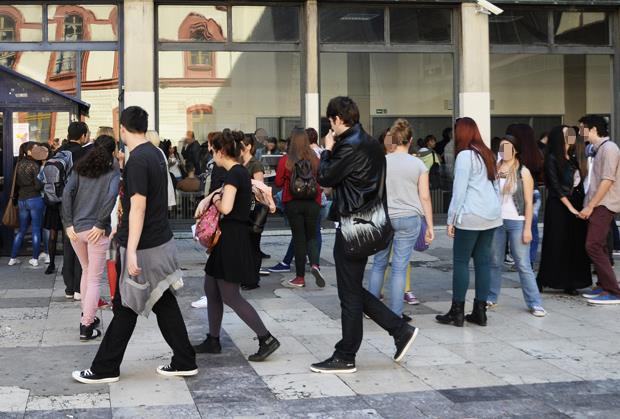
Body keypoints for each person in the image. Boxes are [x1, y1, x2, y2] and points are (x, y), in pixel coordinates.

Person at [72, 106, 197, 384]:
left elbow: (137, 207)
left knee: (126, 306)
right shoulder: (155, 154)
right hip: (158, 241)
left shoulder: (138, 160)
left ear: (123, 129)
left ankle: (105, 368)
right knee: (161, 301)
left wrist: (131, 252)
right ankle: (184, 359)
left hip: (144, 246)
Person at [311, 96, 418, 374]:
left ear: (336, 120)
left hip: (353, 225)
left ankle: (347, 354)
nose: (330, 127)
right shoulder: (370, 141)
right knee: (352, 289)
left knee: (349, 295)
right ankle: (399, 330)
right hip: (371, 221)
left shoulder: (347, 145)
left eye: (330, 122)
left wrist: (326, 150)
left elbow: (325, 178)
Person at [193, 129, 280, 360]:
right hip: (229, 239)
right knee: (211, 288)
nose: (211, 153)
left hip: (231, 239)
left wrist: (213, 198)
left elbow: (226, 208)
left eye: (213, 150)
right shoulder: (239, 172)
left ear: (222, 152)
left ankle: (266, 338)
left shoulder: (234, 174)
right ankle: (213, 340)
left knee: (230, 295)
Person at [436, 117, 501, 327]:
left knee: (461, 262)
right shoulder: (487, 153)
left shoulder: (465, 155)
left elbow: (459, 191)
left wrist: (451, 219)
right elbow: (495, 187)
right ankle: (480, 312)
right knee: (483, 263)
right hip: (491, 215)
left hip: (471, 215)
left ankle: (457, 312)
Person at [368, 119, 434, 319]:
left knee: (379, 263)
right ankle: (396, 313)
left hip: (384, 218)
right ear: (410, 139)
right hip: (409, 218)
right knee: (399, 267)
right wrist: (430, 225)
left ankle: (371, 310)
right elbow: (424, 196)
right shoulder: (418, 164)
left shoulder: (381, 162)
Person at [61, 135, 121, 340]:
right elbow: (111, 196)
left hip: (76, 229)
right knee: (94, 278)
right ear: (113, 151)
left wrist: (68, 223)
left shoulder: (80, 165)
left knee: (87, 272)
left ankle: (86, 314)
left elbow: (67, 194)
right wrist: (100, 222)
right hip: (96, 231)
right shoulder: (113, 168)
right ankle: (86, 326)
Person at [487, 135, 547, 317]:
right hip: (497, 222)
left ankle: (535, 303)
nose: (504, 151)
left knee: (523, 264)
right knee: (495, 262)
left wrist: (528, 228)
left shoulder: (523, 172)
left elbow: (529, 203)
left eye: (507, 147)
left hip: (517, 222)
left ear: (515, 150)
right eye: (501, 147)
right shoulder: (494, 170)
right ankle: (491, 297)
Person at [537, 126, 591, 294]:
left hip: (576, 203)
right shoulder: (552, 158)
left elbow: (580, 183)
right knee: (556, 242)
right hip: (559, 206)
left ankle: (572, 282)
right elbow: (555, 187)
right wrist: (571, 208)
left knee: (574, 244)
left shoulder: (575, 158)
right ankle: (546, 279)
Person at [275, 128, 325, 289]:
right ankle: (315, 264)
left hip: (293, 202)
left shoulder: (286, 160)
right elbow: (321, 179)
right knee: (311, 236)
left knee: (299, 238)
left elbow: (277, 182)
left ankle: (300, 277)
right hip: (313, 202)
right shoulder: (315, 159)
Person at [579, 115, 620, 304]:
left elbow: (607, 180)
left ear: (593, 129)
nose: (580, 132)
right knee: (599, 245)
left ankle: (613, 290)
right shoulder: (598, 149)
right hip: (598, 203)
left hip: (603, 204)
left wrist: (590, 205)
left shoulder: (609, 149)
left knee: (593, 245)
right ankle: (604, 286)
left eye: (582, 128)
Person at [54, 122, 90, 294]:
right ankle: (78, 287)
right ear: (83, 136)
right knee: (80, 243)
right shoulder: (83, 153)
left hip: (62, 203)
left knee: (69, 242)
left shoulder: (58, 152)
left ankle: (69, 287)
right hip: (79, 203)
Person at [506, 124, 544, 267]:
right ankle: (528, 260)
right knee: (530, 228)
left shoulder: (516, 155)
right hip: (533, 192)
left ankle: (522, 260)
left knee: (520, 229)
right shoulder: (536, 153)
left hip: (519, 193)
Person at [239, 131, 270, 289]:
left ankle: (252, 279)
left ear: (249, 146)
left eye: (241, 145)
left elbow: (260, 188)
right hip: (241, 209)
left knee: (253, 245)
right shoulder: (238, 163)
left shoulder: (255, 164)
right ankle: (245, 276)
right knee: (244, 245)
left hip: (253, 210)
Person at [8, 142, 45, 267]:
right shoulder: (34, 165)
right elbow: (38, 185)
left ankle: (12, 257)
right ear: (29, 151)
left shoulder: (18, 164)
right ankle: (34, 258)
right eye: (34, 148)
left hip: (22, 200)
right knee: (36, 229)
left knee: (21, 230)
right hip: (34, 199)